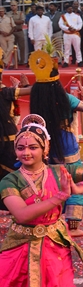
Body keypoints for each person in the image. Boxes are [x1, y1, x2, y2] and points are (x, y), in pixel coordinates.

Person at [0, 116, 83, 287]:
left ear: (45, 149)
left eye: (33, 147)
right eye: (21, 148)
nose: (26, 153)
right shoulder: (10, 180)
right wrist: (59, 198)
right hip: (19, 251)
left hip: (55, 250)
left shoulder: (59, 172)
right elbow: (21, 214)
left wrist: (81, 187)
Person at [28, 50, 83, 237]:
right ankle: (73, 227)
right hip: (66, 145)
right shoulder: (66, 98)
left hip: (44, 144)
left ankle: (50, 220)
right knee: (75, 181)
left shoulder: (36, 97)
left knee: (50, 183)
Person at [0, 51, 30, 190]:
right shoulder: (6, 92)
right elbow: (33, 91)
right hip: (8, 140)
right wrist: (26, 85)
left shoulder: (7, 92)